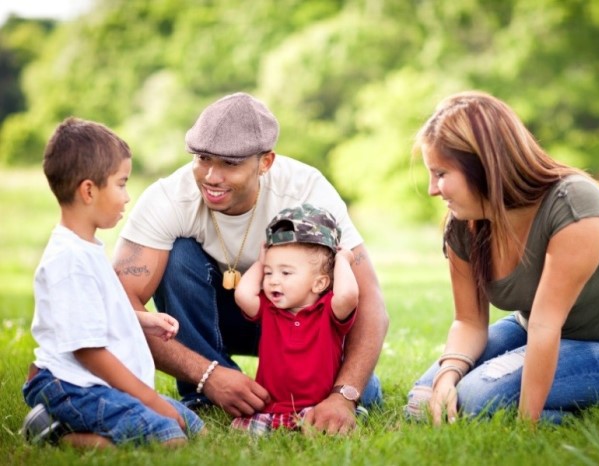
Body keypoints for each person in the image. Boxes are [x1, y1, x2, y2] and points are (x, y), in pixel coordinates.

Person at [113, 92, 388, 434]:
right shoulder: (170, 198)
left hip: (301, 323)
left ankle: (313, 385)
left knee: (367, 391)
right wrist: (208, 376)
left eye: (230, 163)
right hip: (215, 315)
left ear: (266, 163)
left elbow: (370, 300)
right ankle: (207, 393)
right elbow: (118, 305)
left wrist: (344, 394)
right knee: (178, 254)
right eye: (203, 158)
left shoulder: (306, 191)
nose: (211, 176)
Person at [405, 91, 599, 425]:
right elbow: (469, 321)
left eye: (441, 174)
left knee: (474, 399)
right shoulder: (463, 226)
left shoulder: (574, 205)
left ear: (484, 167)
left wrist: (526, 425)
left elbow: (547, 324)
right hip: (531, 330)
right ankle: (531, 405)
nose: (432, 189)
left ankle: (556, 417)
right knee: (423, 399)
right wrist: (447, 376)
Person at [21, 117, 204, 448]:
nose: (127, 197)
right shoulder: (70, 261)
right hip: (73, 384)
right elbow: (89, 351)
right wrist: (150, 399)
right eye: (121, 184)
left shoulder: (86, 248)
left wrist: (144, 320)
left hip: (95, 383)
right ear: (89, 190)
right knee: (169, 440)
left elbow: (94, 313)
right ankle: (54, 432)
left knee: (194, 427)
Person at [231, 203, 362, 434]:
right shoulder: (270, 310)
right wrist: (261, 262)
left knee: (317, 429)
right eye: (269, 272)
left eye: (286, 273)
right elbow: (242, 294)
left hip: (318, 406)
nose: (272, 280)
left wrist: (343, 260)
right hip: (273, 407)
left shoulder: (328, 311)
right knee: (245, 429)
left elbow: (349, 295)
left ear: (319, 283)